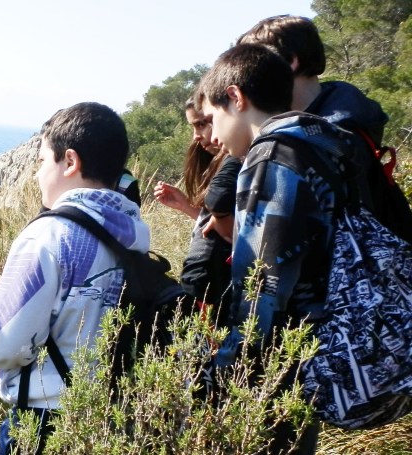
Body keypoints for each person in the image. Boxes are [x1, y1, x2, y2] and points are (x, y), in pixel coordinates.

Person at [198, 43, 362, 454]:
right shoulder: (325, 143)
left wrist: (224, 377)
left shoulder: (272, 157)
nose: (214, 136)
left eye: (214, 118)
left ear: (236, 97)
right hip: (317, 347)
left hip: (277, 367)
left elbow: (262, 289)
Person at [0, 102, 150, 454]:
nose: (36, 175)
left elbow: (3, 345)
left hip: (44, 422)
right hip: (112, 417)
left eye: (41, 162)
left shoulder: (49, 236)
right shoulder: (133, 233)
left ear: (70, 161)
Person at [237, 14, 412, 242]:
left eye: (254, 65)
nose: (246, 79)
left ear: (290, 61)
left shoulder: (326, 138)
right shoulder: (340, 117)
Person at [154, 97, 241, 327]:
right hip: (207, 297)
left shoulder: (238, 162)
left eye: (203, 123)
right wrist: (187, 207)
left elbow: (232, 226)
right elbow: (217, 230)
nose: (196, 136)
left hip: (222, 296)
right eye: (194, 127)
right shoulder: (220, 164)